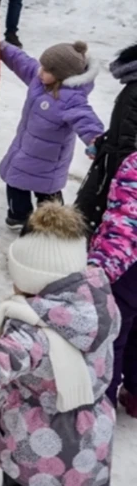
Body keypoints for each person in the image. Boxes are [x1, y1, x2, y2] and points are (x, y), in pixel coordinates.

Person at [0, 203, 120, 486]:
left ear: (35, 281)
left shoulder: (40, 331)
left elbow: (0, 359)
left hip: (46, 450)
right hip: (77, 448)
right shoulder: (93, 300)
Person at [0, 40, 104, 229]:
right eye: (42, 66)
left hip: (50, 157)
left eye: (47, 70)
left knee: (48, 190)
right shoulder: (39, 79)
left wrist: (95, 138)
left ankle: (55, 220)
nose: (41, 71)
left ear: (62, 76)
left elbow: (85, 119)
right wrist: (2, 48)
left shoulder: (72, 99)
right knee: (15, 179)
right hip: (26, 146)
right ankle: (19, 215)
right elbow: (20, 61)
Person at [88, 150, 137, 416]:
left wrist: (100, 269)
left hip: (127, 271)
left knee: (112, 338)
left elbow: (124, 227)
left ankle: (101, 410)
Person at [76, 42, 137, 233]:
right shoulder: (134, 89)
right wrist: (104, 141)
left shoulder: (134, 90)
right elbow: (126, 131)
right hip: (114, 170)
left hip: (118, 176)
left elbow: (128, 139)